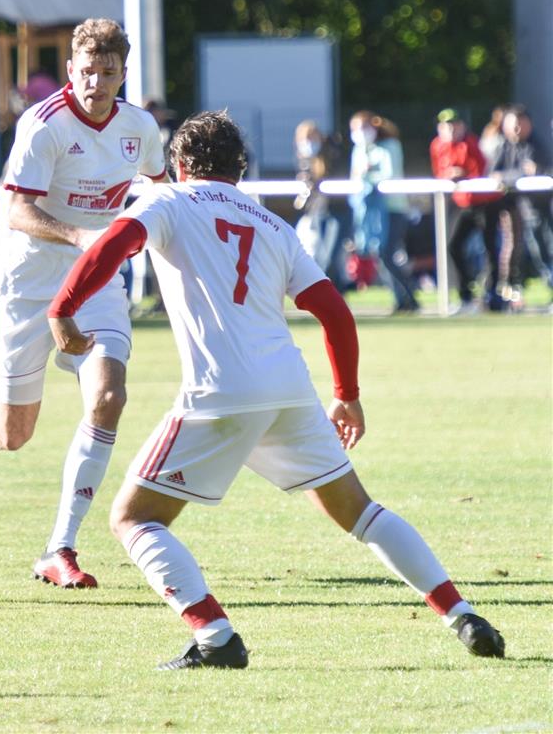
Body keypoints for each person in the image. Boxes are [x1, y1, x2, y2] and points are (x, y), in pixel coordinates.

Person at [47, 110, 505, 669]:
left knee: (133, 519)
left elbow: (113, 243)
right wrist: (348, 393)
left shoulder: (168, 203)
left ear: (181, 165)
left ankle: (215, 636)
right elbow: (335, 311)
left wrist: (63, 307)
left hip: (220, 392)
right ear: (240, 170)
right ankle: (462, 613)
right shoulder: (271, 224)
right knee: (360, 511)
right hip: (289, 390)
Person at [0, 18, 167, 588]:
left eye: (108, 72)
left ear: (123, 73)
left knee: (108, 396)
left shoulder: (139, 127)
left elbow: (159, 186)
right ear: (70, 70)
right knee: (13, 434)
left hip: (96, 281)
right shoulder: (44, 124)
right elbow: (15, 209)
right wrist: (81, 236)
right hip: (27, 281)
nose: (96, 82)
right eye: (86, 71)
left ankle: (60, 548)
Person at [429, 108, 502, 314]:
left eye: (454, 124)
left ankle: (492, 295)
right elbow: (439, 172)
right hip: (463, 204)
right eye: (446, 125)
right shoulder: (437, 145)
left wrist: (462, 174)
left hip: (484, 202)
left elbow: (479, 171)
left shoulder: (470, 143)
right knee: (452, 246)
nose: (450, 129)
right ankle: (466, 294)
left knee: (489, 248)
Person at [348, 110, 419, 313]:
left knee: (387, 254)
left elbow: (389, 174)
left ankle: (409, 295)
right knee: (379, 254)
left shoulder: (390, 146)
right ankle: (402, 298)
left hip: (393, 208)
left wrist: (367, 174)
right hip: (369, 211)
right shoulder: (359, 149)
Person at [488, 105, 552, 310]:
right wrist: (513, 176)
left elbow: (533, 173)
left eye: (519, 124)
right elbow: (494, 174)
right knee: (513, 254)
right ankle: (507, 295)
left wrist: (509, 177)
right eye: (512, 124)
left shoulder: (537, 146)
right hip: (512, 212)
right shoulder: (503, 146)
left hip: (537, 211)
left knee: (543, 252)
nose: (516, 129)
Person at [293, 119, 351, 291]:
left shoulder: (334, 154)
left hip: (337, 211)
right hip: (317, 214)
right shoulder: (304, 160)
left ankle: (336, 293)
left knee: (331, 257)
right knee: (317, 256)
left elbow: (335, 178)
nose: (308, 143)